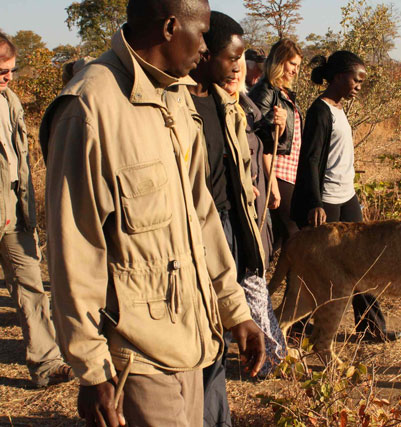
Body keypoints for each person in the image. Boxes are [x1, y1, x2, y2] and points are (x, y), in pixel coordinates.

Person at [39, 1, 265, 426]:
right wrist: (90, 369)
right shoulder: (89, 108)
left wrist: (236, 310)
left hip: (191, 340)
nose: (205, 47)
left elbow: (203, 217)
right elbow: (74, 250)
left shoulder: (177, 97)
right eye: (201, 33)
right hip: (135, 355)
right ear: (169, 27)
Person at [188, 13, 285, 424]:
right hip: (192, 232)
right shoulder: (174, 106)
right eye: (232, 55)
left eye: (242, 57)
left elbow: (235, 174)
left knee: (216, 335)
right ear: (204, 52)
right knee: (201, 334)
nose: (238, 64)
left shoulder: (225, 104)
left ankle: (218, 417)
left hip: (229, 225)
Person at [291, 51, 401, 343]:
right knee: (318, 267)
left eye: (362, 81)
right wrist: (314, 202)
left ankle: (371, 327)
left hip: (346, 195)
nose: (359, 85)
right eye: (357, 79)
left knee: (364, 264)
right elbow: (311, 159)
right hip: (327, 200)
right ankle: (297, 327)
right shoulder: (320, 111)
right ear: (339, 76)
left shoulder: (339, 109)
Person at [0, 32, 74, 389]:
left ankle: (46, 364)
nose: (8, 77)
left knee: (31, 285)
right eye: (1, 70)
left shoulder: (11, 100)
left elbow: (21, 161)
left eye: (11, 70)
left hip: (15, 211)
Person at [249, 39, 303, 250]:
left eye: (298, 66)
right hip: (276, 173)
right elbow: (260, 140)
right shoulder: (266, 92)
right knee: (292, 234)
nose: (295, 71)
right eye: (292, 64)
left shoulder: (283, 92)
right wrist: (272, 186)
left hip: (289, 173)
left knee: (281, 237)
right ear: (279, 61)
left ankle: (270, 281)